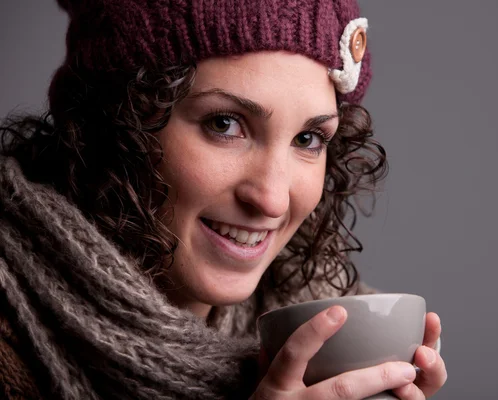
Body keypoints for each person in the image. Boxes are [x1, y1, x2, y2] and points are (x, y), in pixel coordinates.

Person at [0, 0, 447, 399]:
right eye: (224, 125)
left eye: (308, 138)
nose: (272, 200)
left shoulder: (327, 321)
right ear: (112, 121)